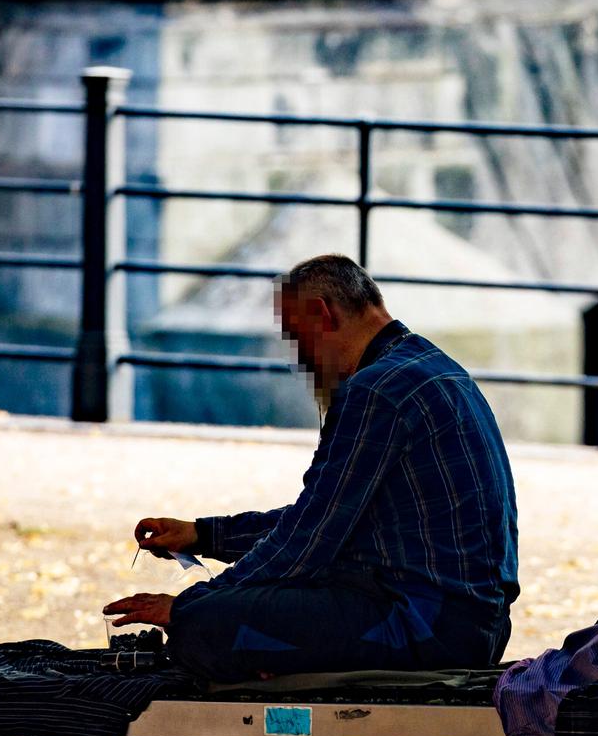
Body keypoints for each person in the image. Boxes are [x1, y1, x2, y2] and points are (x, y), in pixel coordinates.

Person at [102, 255, 520, 680]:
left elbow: (311, 538)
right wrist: (203, 534)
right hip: (469, 622)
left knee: (206, 630)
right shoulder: (434, 369)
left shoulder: (377, 391)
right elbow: (323, 518)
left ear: (323, 314)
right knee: (239, 612)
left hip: (429, 627)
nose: (300, 359)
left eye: (297, 338)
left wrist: (192, 606)